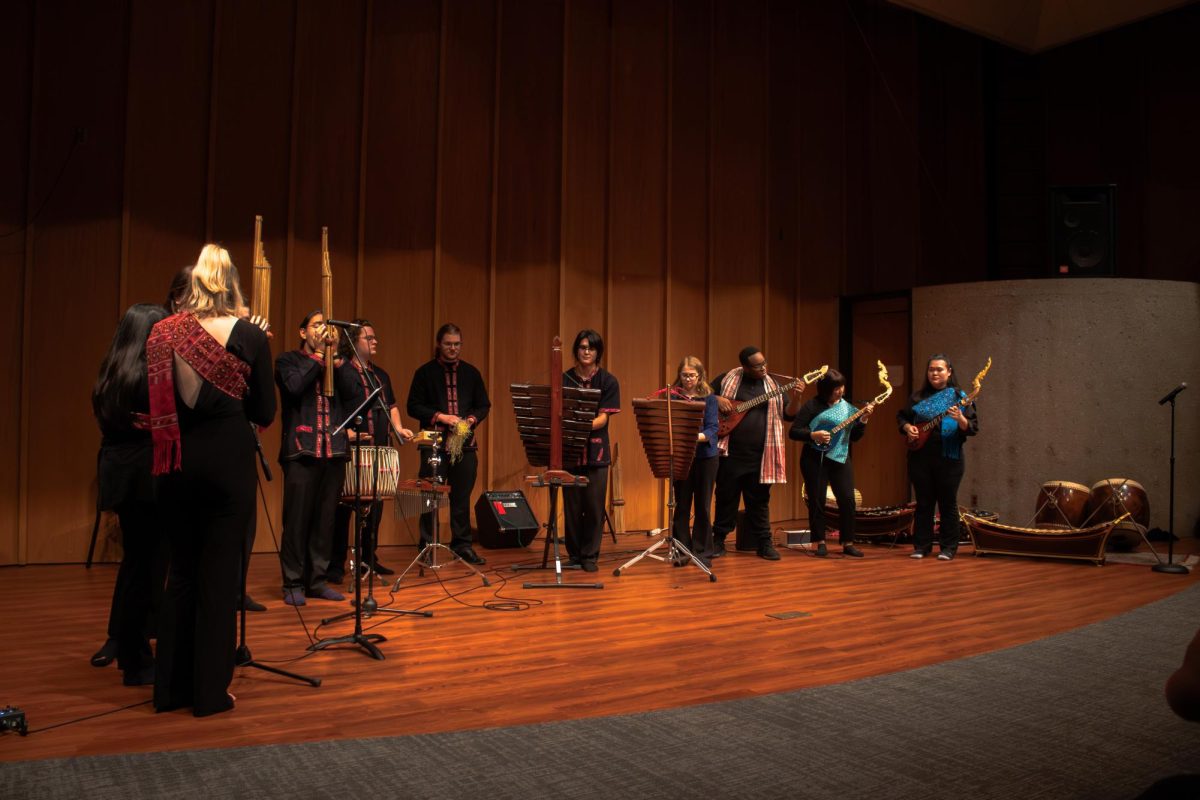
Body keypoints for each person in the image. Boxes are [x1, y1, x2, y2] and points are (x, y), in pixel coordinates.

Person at [149, 244, 276, 716]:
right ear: (232, 285)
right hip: (227, 466)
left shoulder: (163, 333)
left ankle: (169, 691)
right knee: (219, 580)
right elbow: (264, 412)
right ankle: (208, 694)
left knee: (179, 575)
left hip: (175, 465)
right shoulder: (249, 335)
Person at [91, 303, 170, 685]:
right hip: (144, 477)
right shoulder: (146, 376)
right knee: (147, 568)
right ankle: (136, 660)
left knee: (137, 565)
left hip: (121, 475)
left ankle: (128, 649)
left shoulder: (112, 370)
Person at [276, 311, 351, 604]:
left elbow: (354, 394)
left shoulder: (336, 364)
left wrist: (338, 360)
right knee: (296, 521)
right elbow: (294, 387)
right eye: (316, 325)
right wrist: (319, 356)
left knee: (325, 520)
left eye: (327, 326)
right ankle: (292, 583)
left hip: (333, 451)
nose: (323, 329)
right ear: (302, 332)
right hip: (301, 450)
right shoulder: (287, 361)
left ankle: (317, 580)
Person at [330, 320, 412, 582]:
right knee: (343, 511)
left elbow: (392, 405)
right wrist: (346, 433)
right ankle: (335, 564)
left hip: (379, 451)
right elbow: (332, 406)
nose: (375, 341)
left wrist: (398, 428)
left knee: (374, 511)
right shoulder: (341, 371)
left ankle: (369, 558)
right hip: (351, 451)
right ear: (354, 341)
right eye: (369, 338)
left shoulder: (381, 375)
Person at [406, 324, 491, 565]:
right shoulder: (424, 373)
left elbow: (483, 404)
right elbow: (413, 406)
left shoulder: (471, 373)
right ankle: (426, 546)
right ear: (439, 344)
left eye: (457, 344)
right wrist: (442, 417)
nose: (453, 348)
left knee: (461, 497)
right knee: (429, 496)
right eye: (448, 344)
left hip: (464, 444)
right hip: (432, 442)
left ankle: (462, 545)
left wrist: (471, 420)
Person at [711, 346, 805, 561]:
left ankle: (764, 543)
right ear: (745, 367)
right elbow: (702, 393)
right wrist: (716, 399)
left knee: (759, 501)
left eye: (764, 363)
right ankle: (718, 541)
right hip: (730, 453)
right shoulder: (727, 378)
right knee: (726, 498)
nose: (763, 368)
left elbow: (789, 415)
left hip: (762, 455)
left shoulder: (774, 385)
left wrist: (797, 397)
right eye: (757, 366)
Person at [897, 354, 978, 560]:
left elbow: (972, 427)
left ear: (949, 372)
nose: (935, 373)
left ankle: (948, 548)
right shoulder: (917, 397)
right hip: (920, 458)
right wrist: (908, 428)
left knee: (947, 503)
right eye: (931, 369)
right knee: (924, 503)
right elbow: (903, 417)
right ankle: (921, 547)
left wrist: (959, 417)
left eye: (939, 369)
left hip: (949, 460)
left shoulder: (959, 397)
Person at [789, 369, 874, 558]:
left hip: (840, 457)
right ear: (825, 389)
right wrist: (812, 435)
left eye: (842, 386)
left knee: (848, 499)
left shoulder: (848, 408)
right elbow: (794, 431)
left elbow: (855, 437)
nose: (840, 391)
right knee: (817, 500)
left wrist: (864, 419)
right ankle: (820, 542)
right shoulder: (812, 406)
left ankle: (848, 542)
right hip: (814, 458)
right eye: (836, 388)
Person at [561, 329, 621, 573]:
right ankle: (574, 555)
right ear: (576, 350)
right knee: (572, 506)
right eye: (582, 347)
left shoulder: (608, 381)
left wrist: (578, 424)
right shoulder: (565, 378)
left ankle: (589, 556)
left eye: (591, 348)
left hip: (596, 452)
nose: (586, 351)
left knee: (594, 506)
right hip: (571, 450)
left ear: (598, 353)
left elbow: (602, 420)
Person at [652, 357, 719, 567]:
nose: (688, 379)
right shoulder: (672, 396)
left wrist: (693, 437)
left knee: (703, 506)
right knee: (681, 505)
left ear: (700, 376)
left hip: (705, 457)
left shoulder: (709, 398)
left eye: (692, 375)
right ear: (679, 376)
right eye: (684, 375)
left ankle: (702, 552)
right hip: (681, 456)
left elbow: (712, 429)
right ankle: (681, 551)